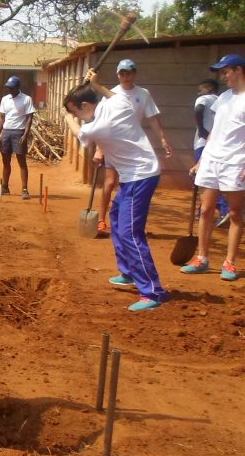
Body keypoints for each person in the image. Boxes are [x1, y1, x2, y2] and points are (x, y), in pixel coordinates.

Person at [63, 80, 166, 311]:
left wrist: (67, 119)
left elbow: (81, 135)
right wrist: (96, 84)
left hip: (140, 176)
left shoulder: (99, 125)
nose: (76, 116)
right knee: (117, 218)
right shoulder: (118, 102)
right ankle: (129, 272)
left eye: (75, 111)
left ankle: (152, 291)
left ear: (86, 105)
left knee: (130, 233)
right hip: (135, 174)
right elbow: (109, 94)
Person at [89, 59, 172, 234]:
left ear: (135, 74)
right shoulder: (110, 94)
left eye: (128, 73)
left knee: (130, 185)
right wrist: (99, 149)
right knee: (110, 183)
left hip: (133, 149)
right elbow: (101, 123)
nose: (125, 77)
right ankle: (102, 220)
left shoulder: (143, 94)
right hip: (113, 146)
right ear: (118, 75)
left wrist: (163, 138)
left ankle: (131, 223)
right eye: (122, 73)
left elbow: (153, 118)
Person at [180, 54, 245, 280]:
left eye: (226, 71)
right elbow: (215, 130)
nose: (223, 76)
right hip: (212, 159)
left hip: (236, 161)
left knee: (235, 213)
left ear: (238, 70)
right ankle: (202, 258)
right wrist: (201, 159)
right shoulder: (224, 97)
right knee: (206, 210)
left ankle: (229, 263)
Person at [192, 77, 230, 227]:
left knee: (204, 178)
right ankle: (203, 207)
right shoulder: (222, 101)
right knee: (210, 176)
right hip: (217, 143)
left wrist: (202, 130)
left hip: (204, 143)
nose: (198, 93)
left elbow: (198, 109)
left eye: (200, 90)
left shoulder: (205, 98)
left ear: (209, 89)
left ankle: (223, 207)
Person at [0, 75, 35, 199]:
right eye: (8, 88)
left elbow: (29, 118)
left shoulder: (26, 99)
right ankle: (5, 187)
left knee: (22, 162)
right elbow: (2, 118)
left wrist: (25, 135)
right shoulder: (5, 99)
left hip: (19, 132)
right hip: (6, 132)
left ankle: (25, 190)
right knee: (5, 161)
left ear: (17, 87)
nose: (9, 90)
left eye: (12, 88)